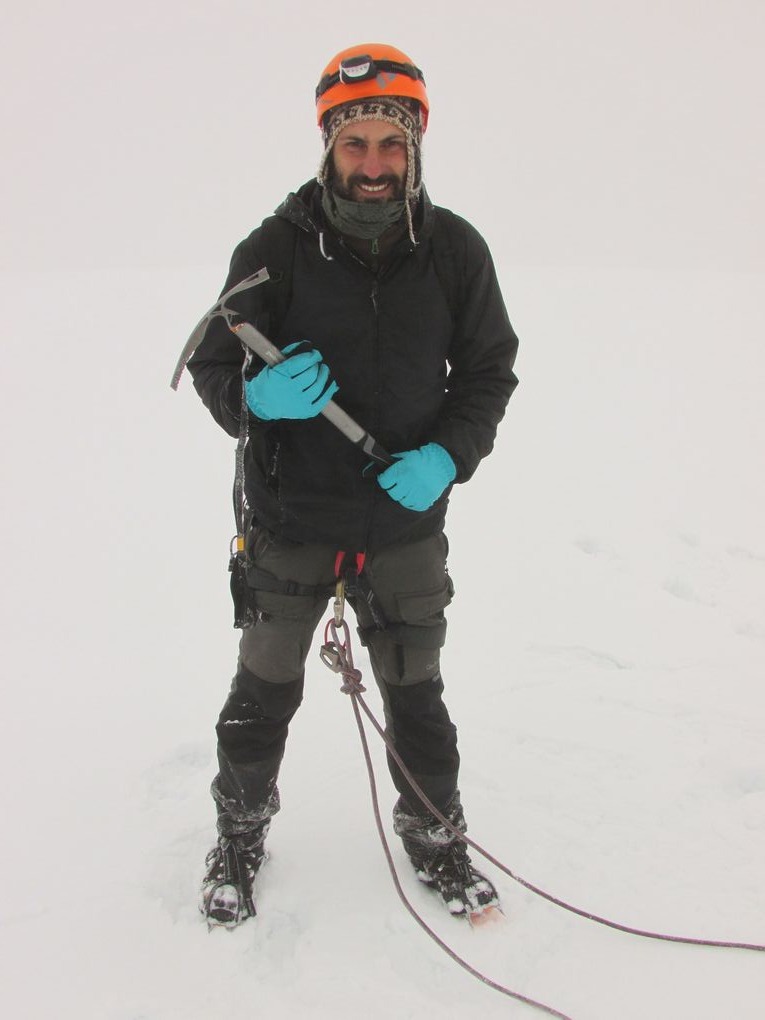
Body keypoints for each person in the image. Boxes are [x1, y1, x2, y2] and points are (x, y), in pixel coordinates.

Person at [187, 42, 519, 928]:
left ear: (413, 150)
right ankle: (239, 833)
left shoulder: (454, 251)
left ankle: (435, 834)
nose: (372, 164)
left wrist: (448, 455)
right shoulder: (273, 249)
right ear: (328, 148)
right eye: (355, 144)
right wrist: (254, 396)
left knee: (416, 693)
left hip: (404, 524)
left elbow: (488, 372)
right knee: (262, 693)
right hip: (291, 519)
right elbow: (217, 369)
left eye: (390, 145)